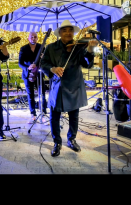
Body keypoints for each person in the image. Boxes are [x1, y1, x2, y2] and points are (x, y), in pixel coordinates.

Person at [41, 20, 98, 157]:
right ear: (60, 33)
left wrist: (90, 50)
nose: (68, 33)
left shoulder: (78, 47)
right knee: (54, 115)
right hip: (58, 84)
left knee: (74, 115)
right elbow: (43, 64)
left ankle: (71, 139)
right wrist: (52, 69)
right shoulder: (51, 47)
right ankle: (57, 142)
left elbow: (87, 64)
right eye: (65, 30)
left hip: (74, 83)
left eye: (70, 30)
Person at [18, 32, 48, 124]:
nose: (33, 38)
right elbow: (20, 63)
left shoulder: (41, 47)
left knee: (42, 94)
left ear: (37, 38)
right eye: (32, 37)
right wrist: (27, 67)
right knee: (30, 95)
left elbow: (46, 60)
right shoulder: (23, 48)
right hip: (28, 75)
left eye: (35, 37)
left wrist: (43, 58)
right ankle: (33, 115)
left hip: (39, 74)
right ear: (28, 38)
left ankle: (43, 114)